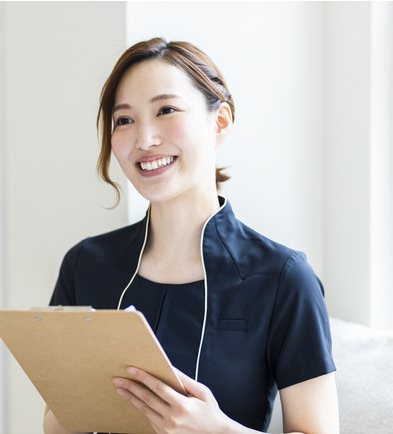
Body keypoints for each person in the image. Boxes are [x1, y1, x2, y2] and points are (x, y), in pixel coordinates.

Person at [44, 37, 338, 434]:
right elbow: (55, 423)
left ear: (220, 122)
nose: (145, 140)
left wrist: (218, 430)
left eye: (166, 110)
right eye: (124, 119)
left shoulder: (284, 278)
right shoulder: (85, 264)